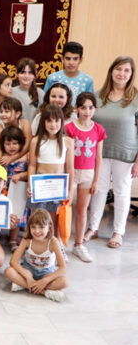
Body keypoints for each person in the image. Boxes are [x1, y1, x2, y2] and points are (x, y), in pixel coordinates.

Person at [87, 56, 138, 249]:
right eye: (118, 69)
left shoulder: (135, 98)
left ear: (131, 74)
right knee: (98, 190)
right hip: (99, 152)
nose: (121, 74)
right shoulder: (98, 95)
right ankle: (92, 228)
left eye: (126, 70)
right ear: (111, 71)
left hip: (125, 153)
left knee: (121, 191)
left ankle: (118, 232)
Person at [65, 92, 105, 262]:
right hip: (71, 173)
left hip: (88, 175)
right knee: (65, 207)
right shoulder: (69, 128)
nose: (87, 111)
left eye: (90, 107)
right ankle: (60, 243)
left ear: (95, 109)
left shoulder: (98, 129)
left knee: (82, 210)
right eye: (83, 107)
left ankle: (79, 244)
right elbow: (66, 155)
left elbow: (98, 157)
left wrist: (96, 180)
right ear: (76, 109)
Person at [28, 104, 74, 249]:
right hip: (40, 184)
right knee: (38, 218)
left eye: (56, 121)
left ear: (62, 122)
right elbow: (32, 165)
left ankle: (56, 246)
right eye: (49, 121)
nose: (53, 125)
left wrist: (70, 191)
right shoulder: (36, 141)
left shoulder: (68, 141)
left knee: (55, 218)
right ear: (43, 122)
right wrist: (30, 185)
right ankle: (36, 247)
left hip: (59, 185)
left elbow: (70, 168)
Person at [4, 208, 67, 302]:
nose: (37, 231)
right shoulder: (27, 240)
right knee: (8, 271)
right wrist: (28, 278)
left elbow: (63, 268)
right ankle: (45, 292)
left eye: (41, 227)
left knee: (64, 282)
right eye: (33, 227)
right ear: (29, 227)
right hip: (28, 270)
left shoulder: (53, 242)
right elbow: (13, 261)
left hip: (47, 273)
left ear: (49, 227)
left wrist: (44, 281)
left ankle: (23, 285)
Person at [0, 126, 29, 251]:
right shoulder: (0, 157)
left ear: (21, 143)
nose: (12, 146)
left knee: (17, 216)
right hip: (1, 190)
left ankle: (13, 240)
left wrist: (21, 175)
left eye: (15, 143)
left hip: (18, 191)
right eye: (8, 143)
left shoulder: (25, 158)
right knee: (0, 214)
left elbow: (30, 173)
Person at [0, 97, 32, 166]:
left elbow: (27, 145)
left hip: (22, 154)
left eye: (6, 111)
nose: (3, 114)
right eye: (1, 112)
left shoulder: (24, 124)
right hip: (4, 157)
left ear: (17, 114)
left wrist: (12, 158)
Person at [12, 57, 44, 123]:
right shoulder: (11, 92)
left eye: (30, 73)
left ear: (34, 75)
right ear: (17, 74)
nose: (26, 76)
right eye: (23, 72)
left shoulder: (40, 93)